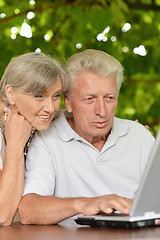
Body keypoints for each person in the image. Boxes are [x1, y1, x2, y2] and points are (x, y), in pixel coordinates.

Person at [19, 49, 155, 225]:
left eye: (109, 98)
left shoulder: (139, 135)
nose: (102, 111)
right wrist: (87, 203)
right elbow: (28, 210)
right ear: (67, 102)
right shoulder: (48, 139)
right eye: (89, 99)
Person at [0, 51, 67, 226]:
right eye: (39, 95)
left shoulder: (56, 123)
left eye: (56, 96)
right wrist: (15, 144)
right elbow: (2, 215)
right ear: (11, 94)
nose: (50, 108)